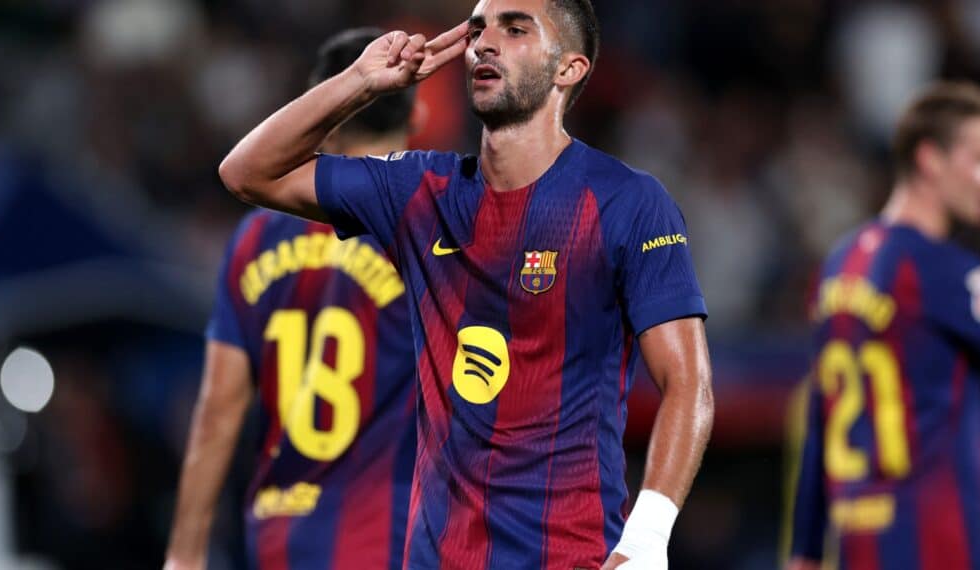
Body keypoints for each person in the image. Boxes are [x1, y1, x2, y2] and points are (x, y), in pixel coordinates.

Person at [217, 1, 714, 568]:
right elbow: (247, 172)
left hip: (571, 557)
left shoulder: (627, 201)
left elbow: (687, 381)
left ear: (568, 69)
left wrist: (647, 539)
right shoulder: (420, 191)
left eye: (515, 28)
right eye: (478, 29)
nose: (484, 42)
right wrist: (361, 82)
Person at [165, 28, 423, 570]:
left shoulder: (256, 238)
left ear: (322, 119)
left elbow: (219, 408)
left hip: (279, 532)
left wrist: (185, 553)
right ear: (415, 117)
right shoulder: (425, 226)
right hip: (391, 532)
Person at [787, 81, 980, 569]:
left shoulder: (839, 264)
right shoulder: (944, 270)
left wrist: (804, 549)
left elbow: (822, 415)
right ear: (930, 159)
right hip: (946, 546)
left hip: (860, 547)